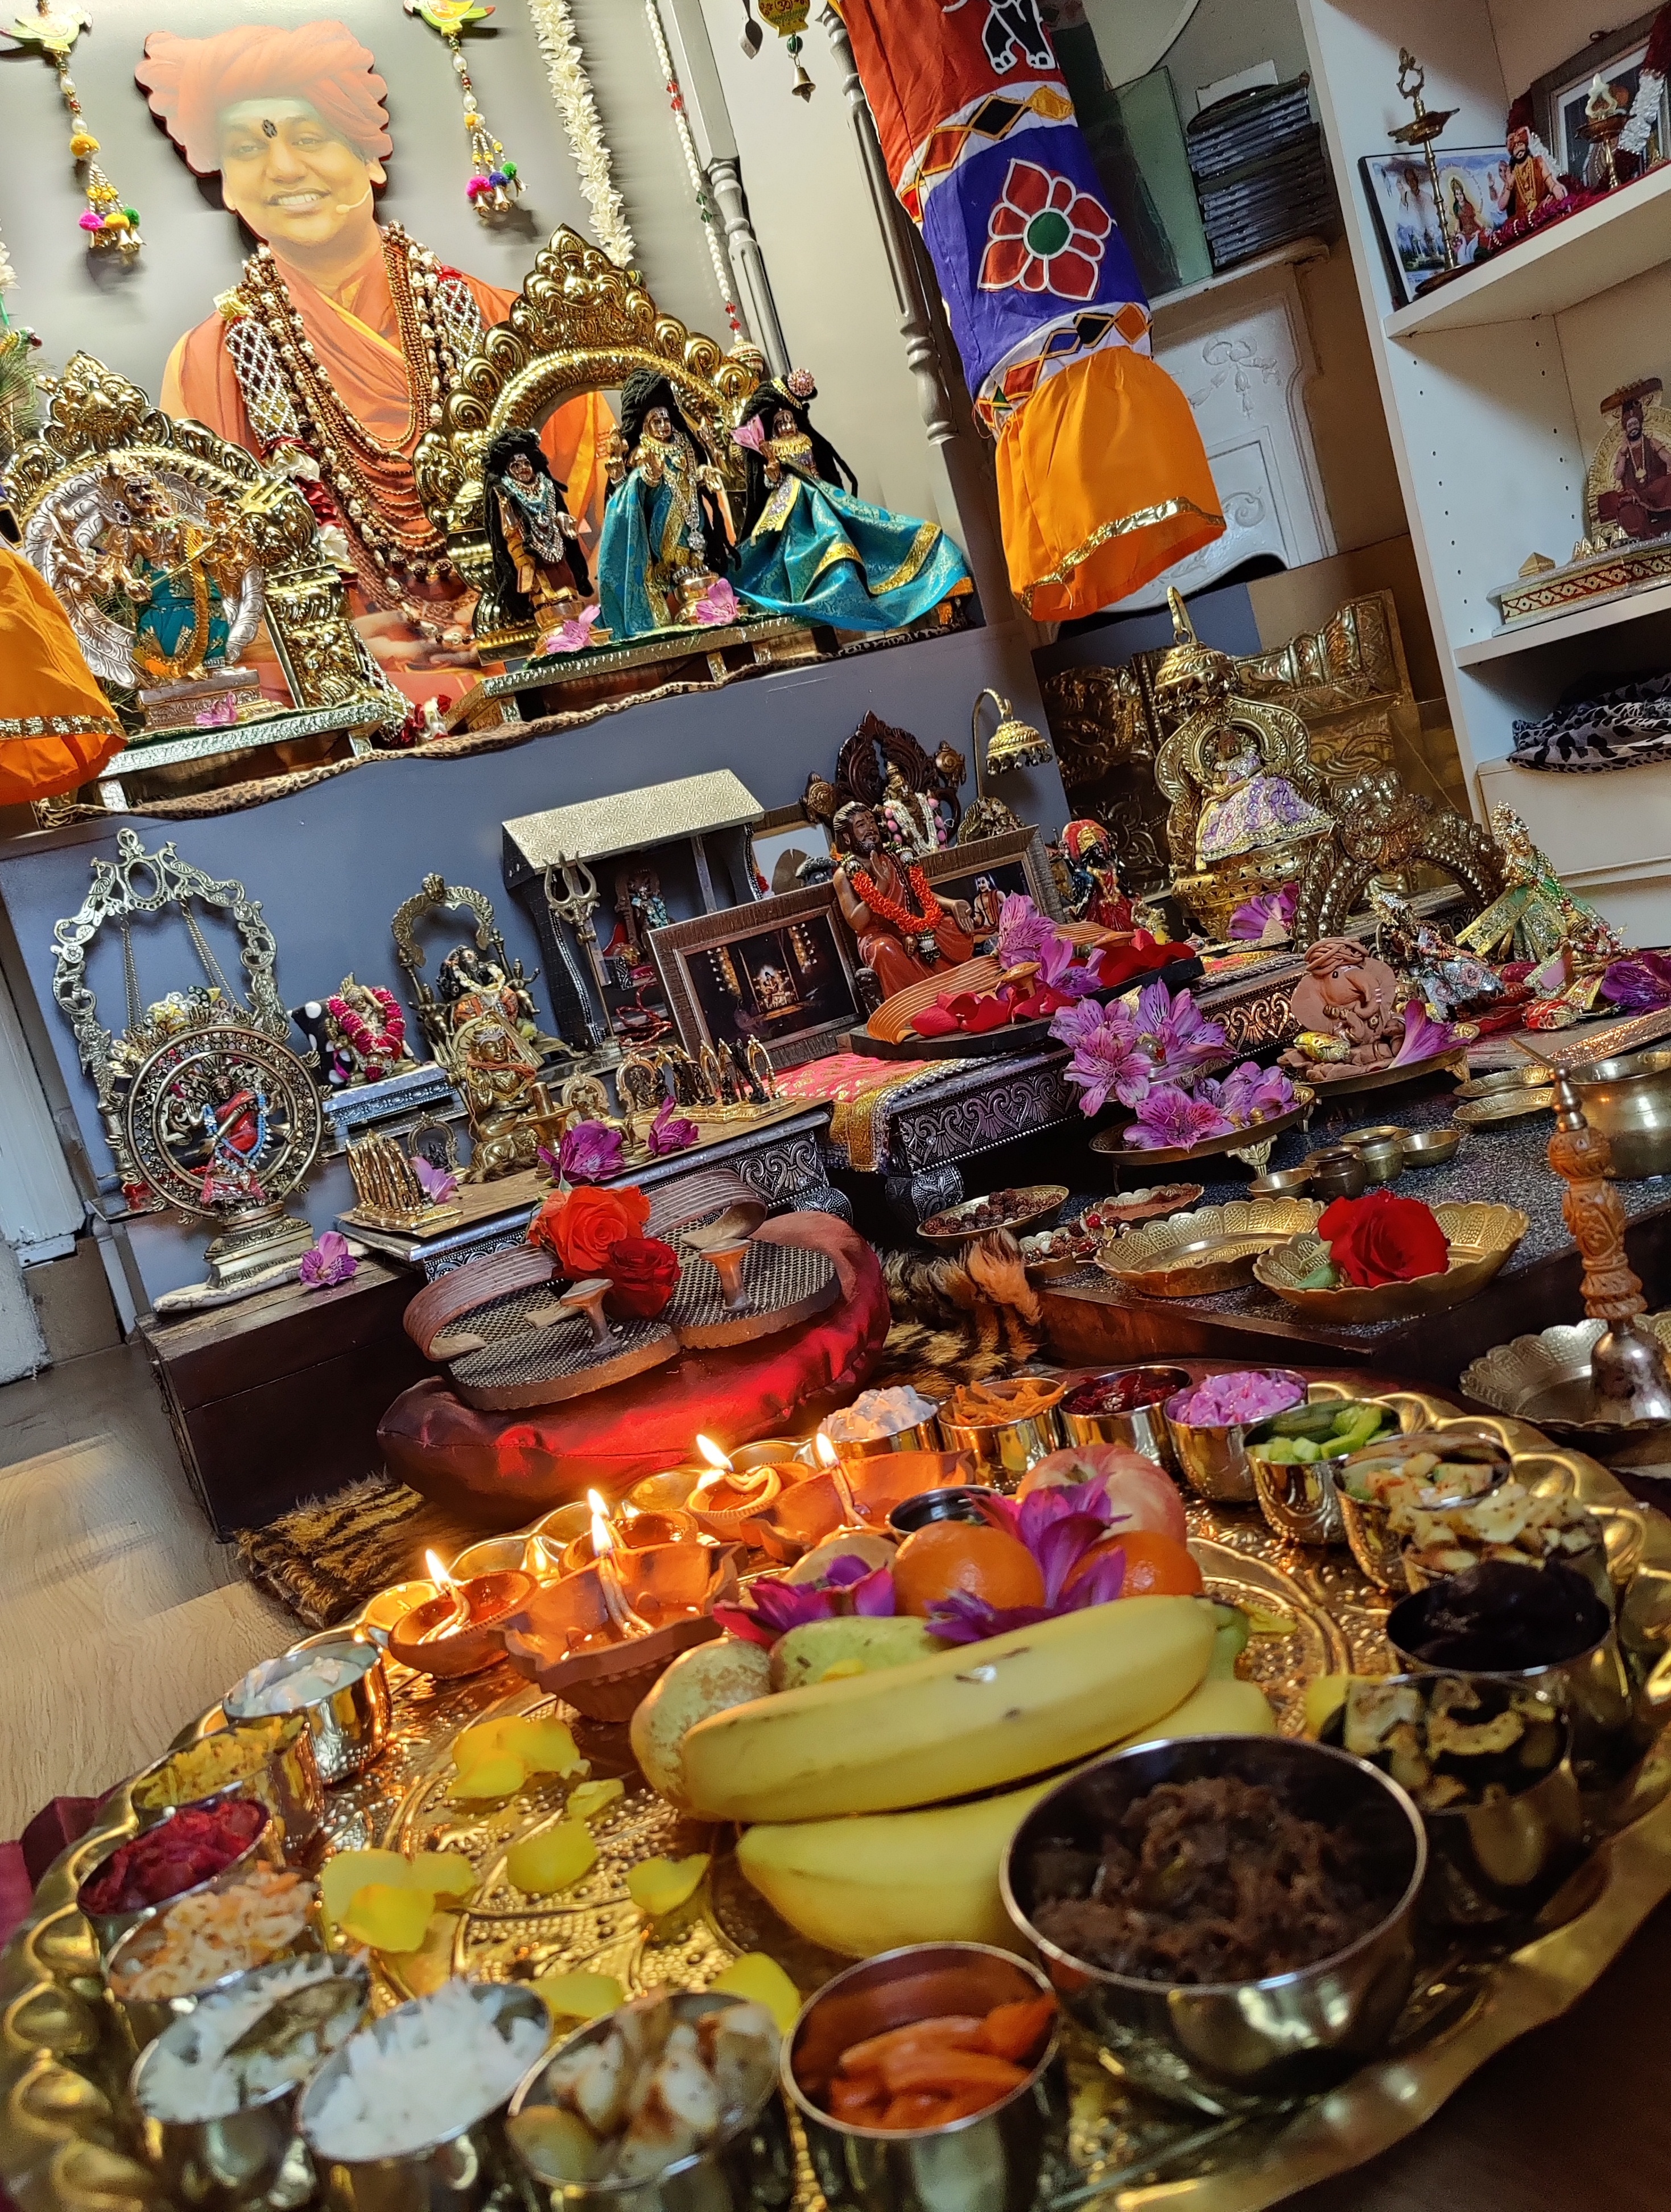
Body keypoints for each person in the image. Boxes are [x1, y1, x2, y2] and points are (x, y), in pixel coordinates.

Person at [136, 21, 612, 702]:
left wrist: (528, 613)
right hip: (355, 697)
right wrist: (312, 645)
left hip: (539, 653)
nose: (283, 168)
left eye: (309, 138)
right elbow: (203, 590)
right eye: (247, 148)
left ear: (370, 159)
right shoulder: (205, 365)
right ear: (228, 186)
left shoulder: (504, 322)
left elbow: (600, 522)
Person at [730, 372, 971, 632]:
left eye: (790, 420)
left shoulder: (805, 440)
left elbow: (816, 466)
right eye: (781, 422)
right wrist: (772, 469)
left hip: (819, 494)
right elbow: (772, 482)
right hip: (791, 505)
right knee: (791, 545)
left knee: (848, 524)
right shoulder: (772, 448)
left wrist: (819, 482)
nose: (787, 426)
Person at [596, 371, 733, 636]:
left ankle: (698, 572)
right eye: (656, 422)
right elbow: (636, 487)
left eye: (666, 420)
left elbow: (695, 474)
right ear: (645, 426)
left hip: (692, 514)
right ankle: (680, 577)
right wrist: (650, 476)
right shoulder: (641, 452)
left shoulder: (686, 445)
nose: (663, 426)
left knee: (697, 550)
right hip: (664, 522)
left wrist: (704, 472)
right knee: (676, 556)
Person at [831, 802, 973, 997]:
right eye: (861, 825)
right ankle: (913, 1000)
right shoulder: (845, 874)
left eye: (872, 821)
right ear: (847, 837)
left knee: (953, 926)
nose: (871, 828)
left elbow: (921, 894)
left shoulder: (894, 857)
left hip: (911, 925)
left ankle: (955, 983)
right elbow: (857, 923)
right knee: (884, 951)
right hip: (878, 936)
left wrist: (953, 904)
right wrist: (881, 885)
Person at [483, 429, 597, 646]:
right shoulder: (505, 493)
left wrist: (563, 521)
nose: (522, 469)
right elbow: (507, 531)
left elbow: (559, 512)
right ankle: (555, 629)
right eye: (515, 466)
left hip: (556, 548)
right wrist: (506, 510)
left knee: (566, 584)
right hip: (532, 555)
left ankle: (575, 627)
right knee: (544, 592)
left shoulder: (547, 486)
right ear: (507, 471)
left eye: (525, 463)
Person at [1193, 730, 1332, 870]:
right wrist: (1218, 788)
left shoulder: (1250, 758)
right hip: (1235, 794)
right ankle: (1252, 830)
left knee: (1274, 784)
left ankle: (1280, 822)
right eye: (1227, 746)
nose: (1232, 747)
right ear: (1220, 752)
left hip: (1258, 784)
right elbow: (1216, 784)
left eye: (1235, 743)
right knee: (1248, 794)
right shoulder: (1222, 768)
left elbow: (1259, 772)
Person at [1597, 386, 1671, 541]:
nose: (1633, 428)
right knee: (1624, 507)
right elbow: (1618, 475)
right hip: (1635, 497)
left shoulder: (1652, 442)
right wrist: (1623, 453)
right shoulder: (1623, 452)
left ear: (1641, 424)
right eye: (1630, 426)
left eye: (1635, 424)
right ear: (1626, 429)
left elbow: (1667, 458)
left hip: (1656, 491)